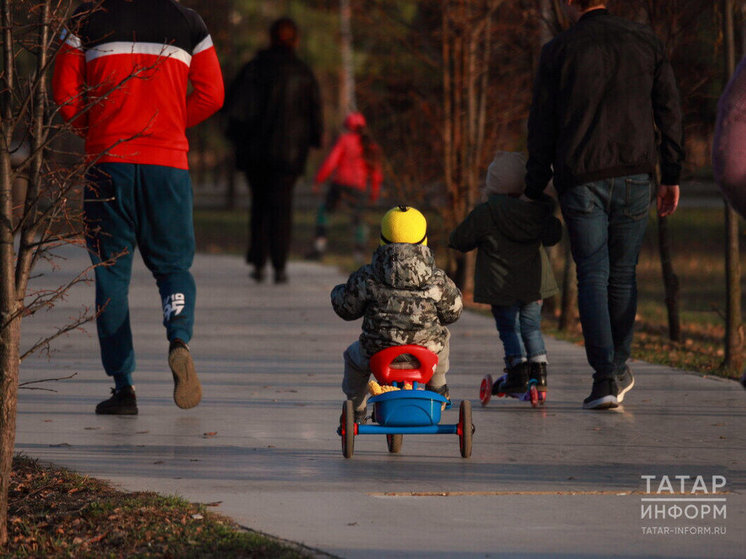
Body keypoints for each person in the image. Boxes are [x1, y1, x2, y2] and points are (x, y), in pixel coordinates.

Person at [52, 0, 224, 414]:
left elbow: (62, 92)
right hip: (167, 166)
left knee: (110, 275)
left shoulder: (84, 17)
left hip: (108, 160)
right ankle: (179, 339)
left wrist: (93, 130)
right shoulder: (189, 22)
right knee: (173, 267)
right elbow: (212, 94)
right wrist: (169, 125)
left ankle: (122, 387)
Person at [525, 0, 684, 410]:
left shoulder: (558, 50)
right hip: (634, 172)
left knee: (592, 276)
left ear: (568, 3)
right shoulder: (645, 41)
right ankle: (616, 367)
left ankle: (605, 379)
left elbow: (542, 121)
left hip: (580, 176)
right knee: (623, 275)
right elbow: (669, 109)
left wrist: (535, 183)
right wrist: (672, 172)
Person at [331, 205, 463, 423]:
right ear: (424, 240)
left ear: (382, 239)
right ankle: (437, 385)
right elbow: (453, 312)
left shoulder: (368, 276)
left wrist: (337, 293)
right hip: (424, 354)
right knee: (443, 336)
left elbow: (346, 308)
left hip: (378, 352)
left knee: (353, 360)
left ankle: (356, 409)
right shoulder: (436, 278)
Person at [449, 151, 561, 396]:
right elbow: (554, 235)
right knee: (531, 327)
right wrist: (546, 212)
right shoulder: (538, 210)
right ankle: (539, 375)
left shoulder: (486, 213)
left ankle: (518, 372)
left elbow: (460, 239)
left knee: (510, 328)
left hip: (500, 287)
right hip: (533, 285)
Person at [224, 17, 323, 284]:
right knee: (282, 207)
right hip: (289, 155)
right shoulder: (302, 72)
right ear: (296, 40)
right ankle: (279, 265)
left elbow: (234, 109)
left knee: (259, 206)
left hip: (256, 153)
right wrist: (313, 140)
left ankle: (259, 261)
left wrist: (239, 141)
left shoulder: (255, 69)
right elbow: (314, 114)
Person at [309, 112, 383, 261]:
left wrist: (318, 180)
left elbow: (331, 161)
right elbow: (376, 173)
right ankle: (359, 253)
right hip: (358, 188)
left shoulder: (344, 140)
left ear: (347, 126)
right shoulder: (370, 145)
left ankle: (319, 246)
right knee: (359, 219)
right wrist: (374, 192)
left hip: (340, 185)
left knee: (325, 211)